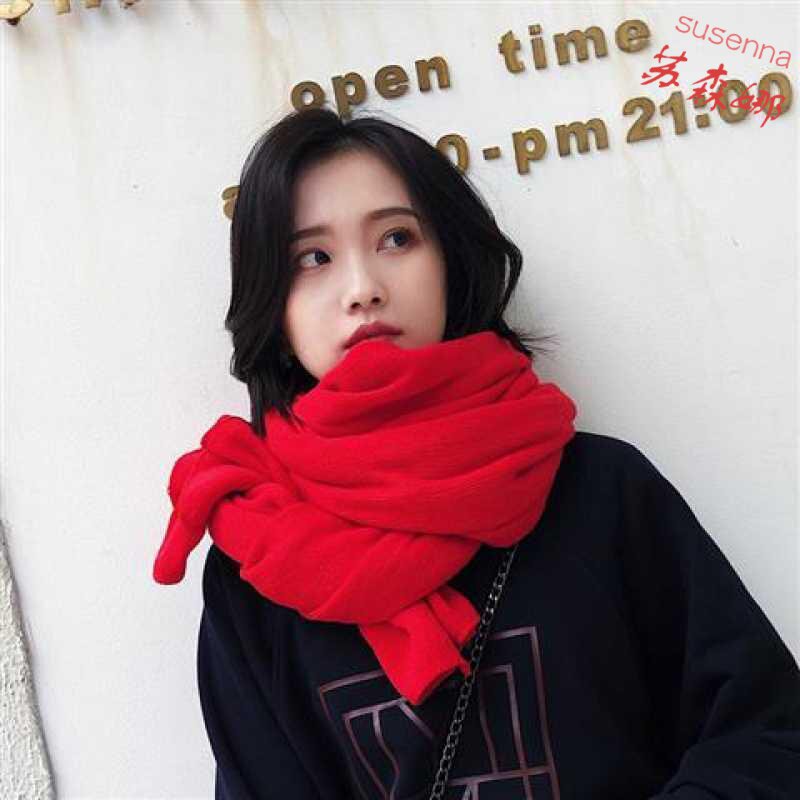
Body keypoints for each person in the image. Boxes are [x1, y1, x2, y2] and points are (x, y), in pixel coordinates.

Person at [152, 106, 800, 799]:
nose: (363, 288)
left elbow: (766, 734)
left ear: (451, 264)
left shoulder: (601, 490)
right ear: (274, 309)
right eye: (313, 258)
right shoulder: (254, 565)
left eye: (397, 238)